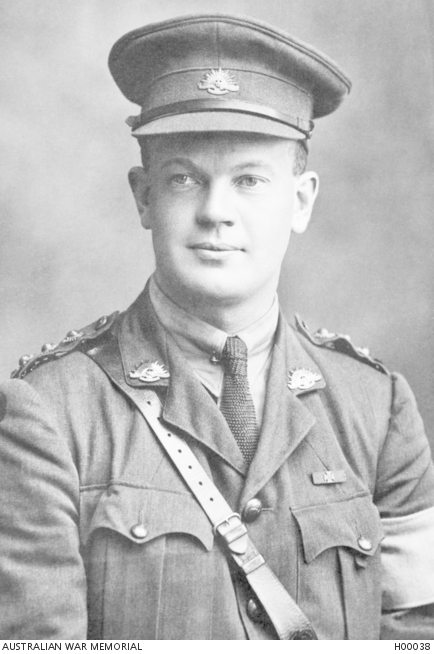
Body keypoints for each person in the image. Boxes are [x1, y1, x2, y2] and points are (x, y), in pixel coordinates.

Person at [0, 12, 433, 641]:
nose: (215, 212)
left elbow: (418, 632)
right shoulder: (49, 412)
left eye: (250, 180)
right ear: (144, 197)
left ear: (301, 201)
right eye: (184, 179)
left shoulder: (375, 406)